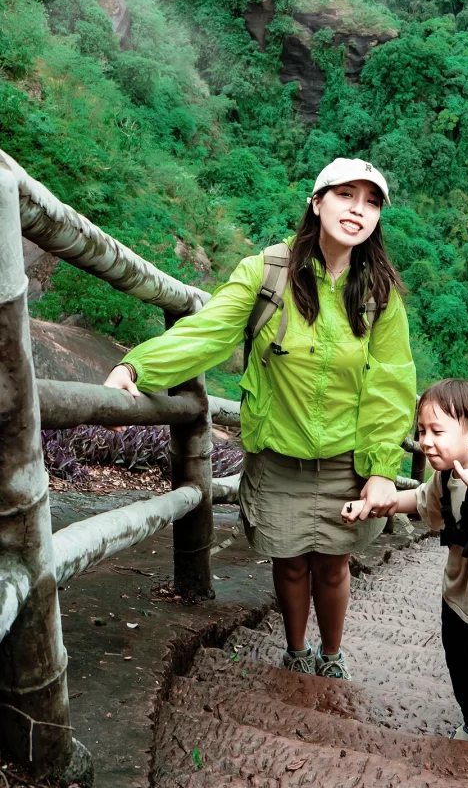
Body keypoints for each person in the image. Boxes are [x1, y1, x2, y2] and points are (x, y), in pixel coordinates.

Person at [103, 158, 416, 681]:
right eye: (346, 196)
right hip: (278, 457)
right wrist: (136, 365)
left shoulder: (380, 295)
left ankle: (331, 657)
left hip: (346, 461)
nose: (358, 210)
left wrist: (383, 467)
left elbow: (390, 387)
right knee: (290, 562)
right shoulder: (266, 273)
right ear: (317, 203)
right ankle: (295, 651)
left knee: (333, 565)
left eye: (371, 201)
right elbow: (208, 332)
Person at [345, 379, 468, 758]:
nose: (425, 440)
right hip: (458, 599)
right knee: (463, 669)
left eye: (437, 431)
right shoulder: (446, 475)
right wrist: (371, 506)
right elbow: (420, 502)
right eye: (422, 431)